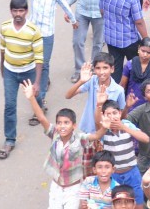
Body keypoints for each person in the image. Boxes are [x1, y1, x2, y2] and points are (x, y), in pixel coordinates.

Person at [23, 79, 101, 209]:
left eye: (66, 123)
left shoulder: (80, 138)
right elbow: (41, 118)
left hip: (74, 189)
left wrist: (104, 125)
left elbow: (97, 136)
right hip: (56, 187)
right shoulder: (54, 134)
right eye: (59, 123)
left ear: (74, 125)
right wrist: (31, 98)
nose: (62, 126)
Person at [11, 0, 78, 116]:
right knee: (33, 63)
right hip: (32, 34)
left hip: (47, 34)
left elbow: (65, 6)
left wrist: (73, 20)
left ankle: (40, 100)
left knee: (44, 63)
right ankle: (42, 82)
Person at [0, 0, 44, 160]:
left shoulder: (33, 31)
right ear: (11, 11)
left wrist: (37, 82)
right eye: (15, 10)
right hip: (10, 71)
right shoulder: (4, 27)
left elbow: (39, 57)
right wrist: (2, 66)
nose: (18, 14)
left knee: (35, 97)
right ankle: (10, 140)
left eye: (21, 10)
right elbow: (3, 48)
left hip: (28, 72)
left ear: (26, 11)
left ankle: (40, 107)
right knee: (10, 105)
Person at [99, 0, 149, 75]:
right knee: (135, 68)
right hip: (129, 40)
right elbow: (139, 21)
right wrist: (146, 39)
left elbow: (102, 11)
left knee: (115, 69)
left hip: (111, 38)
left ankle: (117, 91)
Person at [66, 53, 126, 135]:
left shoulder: (119, 90)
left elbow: (121, 113)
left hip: (108, 132)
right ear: (94, 69)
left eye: (105, 68)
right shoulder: (92, 81)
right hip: (89, 129)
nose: (101, 72)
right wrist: (81, 81)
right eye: (98, 68)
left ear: (112, 69)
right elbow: (68, 95)